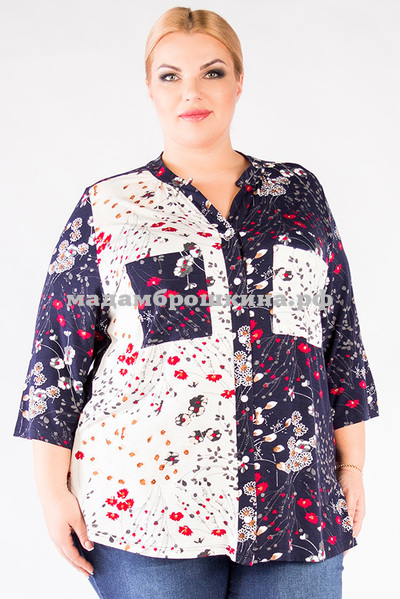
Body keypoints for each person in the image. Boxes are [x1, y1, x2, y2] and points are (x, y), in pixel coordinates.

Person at [13, 6, 379, 599]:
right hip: (146, 506)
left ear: (239, 81)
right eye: (170, 75)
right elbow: (57, 356)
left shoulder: (298, 194)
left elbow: (339, 337)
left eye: (212, 72)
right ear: (150, 89)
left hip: (295, 499)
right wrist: (51, 491)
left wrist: (352, 465)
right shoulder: (109, 205)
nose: (192, 91)